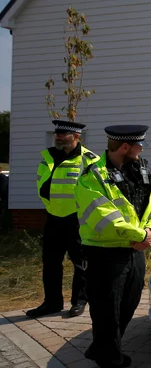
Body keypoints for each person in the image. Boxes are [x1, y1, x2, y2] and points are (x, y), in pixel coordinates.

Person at [75, 125, 151, 368]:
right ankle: (109, 359)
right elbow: (105, 219)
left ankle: (101, 347)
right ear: (125, 147)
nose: (142, 148)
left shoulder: (142, 171)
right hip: (105, 253)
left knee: (129, 303)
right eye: (139, 144)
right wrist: (140, 236)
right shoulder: (92, 177)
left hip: (134, 251)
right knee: (106, 312)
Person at [26, 120, 100, 319]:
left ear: (76, 137)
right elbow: (42, 183)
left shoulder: (90, 160)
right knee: (50, 263)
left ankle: (79, 301)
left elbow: (97, 192)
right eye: (56, 134)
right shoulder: (48, 157)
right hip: (53, 218)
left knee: (80, 263)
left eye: (62, 134)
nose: (57, 137)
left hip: (77, 220)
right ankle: (52, 302)